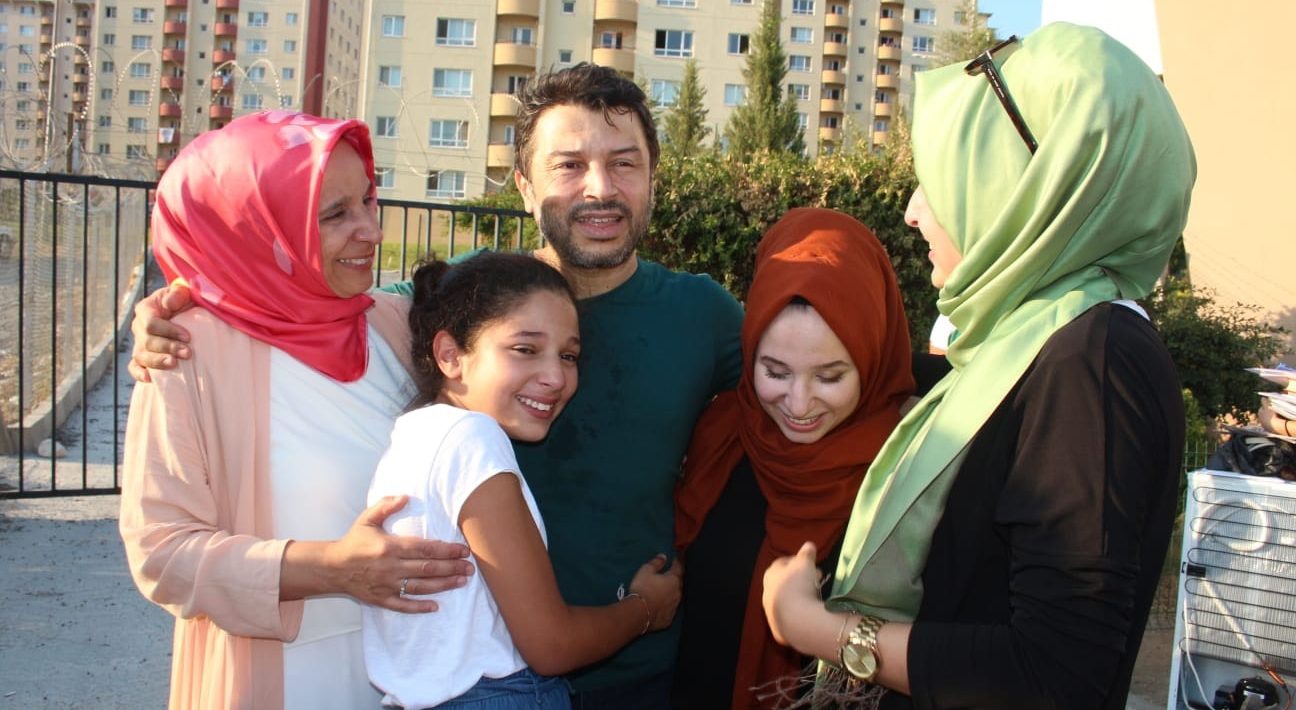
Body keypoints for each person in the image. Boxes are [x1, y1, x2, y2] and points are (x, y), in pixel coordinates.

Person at [128, 63, 744, 708]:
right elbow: (294, 296)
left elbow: (806, 381)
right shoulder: (455, 304)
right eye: (567, 166)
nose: (600, 189)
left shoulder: (702, 315)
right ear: (525, 185)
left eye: (625, 163)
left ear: (654, 176)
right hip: (443, 677)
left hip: (630, 673)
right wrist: (188, 300)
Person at [762, 23, 1194, 710]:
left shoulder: (1091, 362)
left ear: (1026, 191)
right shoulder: (1030, 341)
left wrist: (824, 630)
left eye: (938, 181)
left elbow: (1053, 673)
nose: (911, 211)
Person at [119, 111, 475, 710]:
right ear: (257, 228)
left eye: (367, 200)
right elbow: (161, 551)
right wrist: (332, 569)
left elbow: (520, 300)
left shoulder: (394, 326)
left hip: (416, 674)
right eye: (335, 214)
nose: (371, 231)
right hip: (282, 679)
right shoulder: (188, 351)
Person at [363, 252, 683, 709]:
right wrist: (646, 609)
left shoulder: (415, 437)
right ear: (450, 354)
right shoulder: (469, 438)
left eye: (569, 355)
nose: (555, 376)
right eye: (525, 349)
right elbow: (552, 645)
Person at [672, 208, 915, 709]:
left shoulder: (911, 469)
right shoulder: (720, 434)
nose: (799, 405)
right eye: (775, 372)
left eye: (830, 377)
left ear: (873, 360)